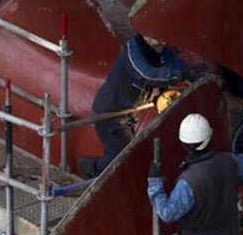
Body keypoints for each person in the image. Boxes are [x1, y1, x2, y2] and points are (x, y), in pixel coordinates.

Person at [79, 34, 202, 178]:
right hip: (110, 113)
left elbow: (179, 66)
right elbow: (145, 74)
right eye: (158, 38)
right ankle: (88, 167)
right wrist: (179, 75)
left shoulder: (162, 51)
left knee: (123, 155)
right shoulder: (132, 50)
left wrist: (196, 74)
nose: (162, 42)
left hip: (129, 114)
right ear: (145, 35)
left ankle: (99, 175)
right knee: (123, 158)